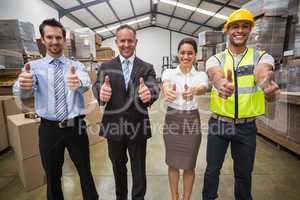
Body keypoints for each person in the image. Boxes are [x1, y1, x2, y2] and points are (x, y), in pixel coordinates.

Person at [13, 18, 98, 200]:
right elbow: (20, 88)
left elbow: (85, 82)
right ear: (43, 39)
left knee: (85, 172)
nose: (54, 41)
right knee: (52, 176)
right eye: (49, 37)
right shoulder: (33, 68)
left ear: (64, 39)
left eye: (58, 37)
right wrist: (24, 85)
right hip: (49, 129)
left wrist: (79, 82)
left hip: (76, 128)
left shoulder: (77, 66)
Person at [202, 9, 280, 200]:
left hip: (246, 127)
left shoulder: (261, 57)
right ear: (228, 30)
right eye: (235, 26)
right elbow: (215, 74)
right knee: (212, 171)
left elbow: (262, 72)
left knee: (244, 176)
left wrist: (266, 85)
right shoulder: (216, 58)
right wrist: (220, 84)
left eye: (245, 26)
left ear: (250, 30)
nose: (240, 30)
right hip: (219, 125)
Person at [92, 24, 160, 200]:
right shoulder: (106, 67)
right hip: (113, 128)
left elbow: (153, 86)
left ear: (136, 42)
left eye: (130, 41)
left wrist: (149, 94)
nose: (126, 44)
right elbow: (97, 85)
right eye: (122, 41)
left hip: (137, 128)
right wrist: (101, 92)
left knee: (138, 171)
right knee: (118, 168)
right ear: (116, 42)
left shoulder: (146, 67)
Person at [162, 38, 208, 200]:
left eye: (190, 53)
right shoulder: (169, 72)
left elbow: (203, 87)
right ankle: (174, 197)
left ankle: (186, 197)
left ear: (195, 55)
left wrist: (195, 90)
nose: (186, 56)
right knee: (173, 163)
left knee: (189, 164)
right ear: (178, 54)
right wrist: (167, 90)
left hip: (191, 121)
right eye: (183, 53)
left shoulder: (201, 74)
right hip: (172, 120)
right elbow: (166, 84)